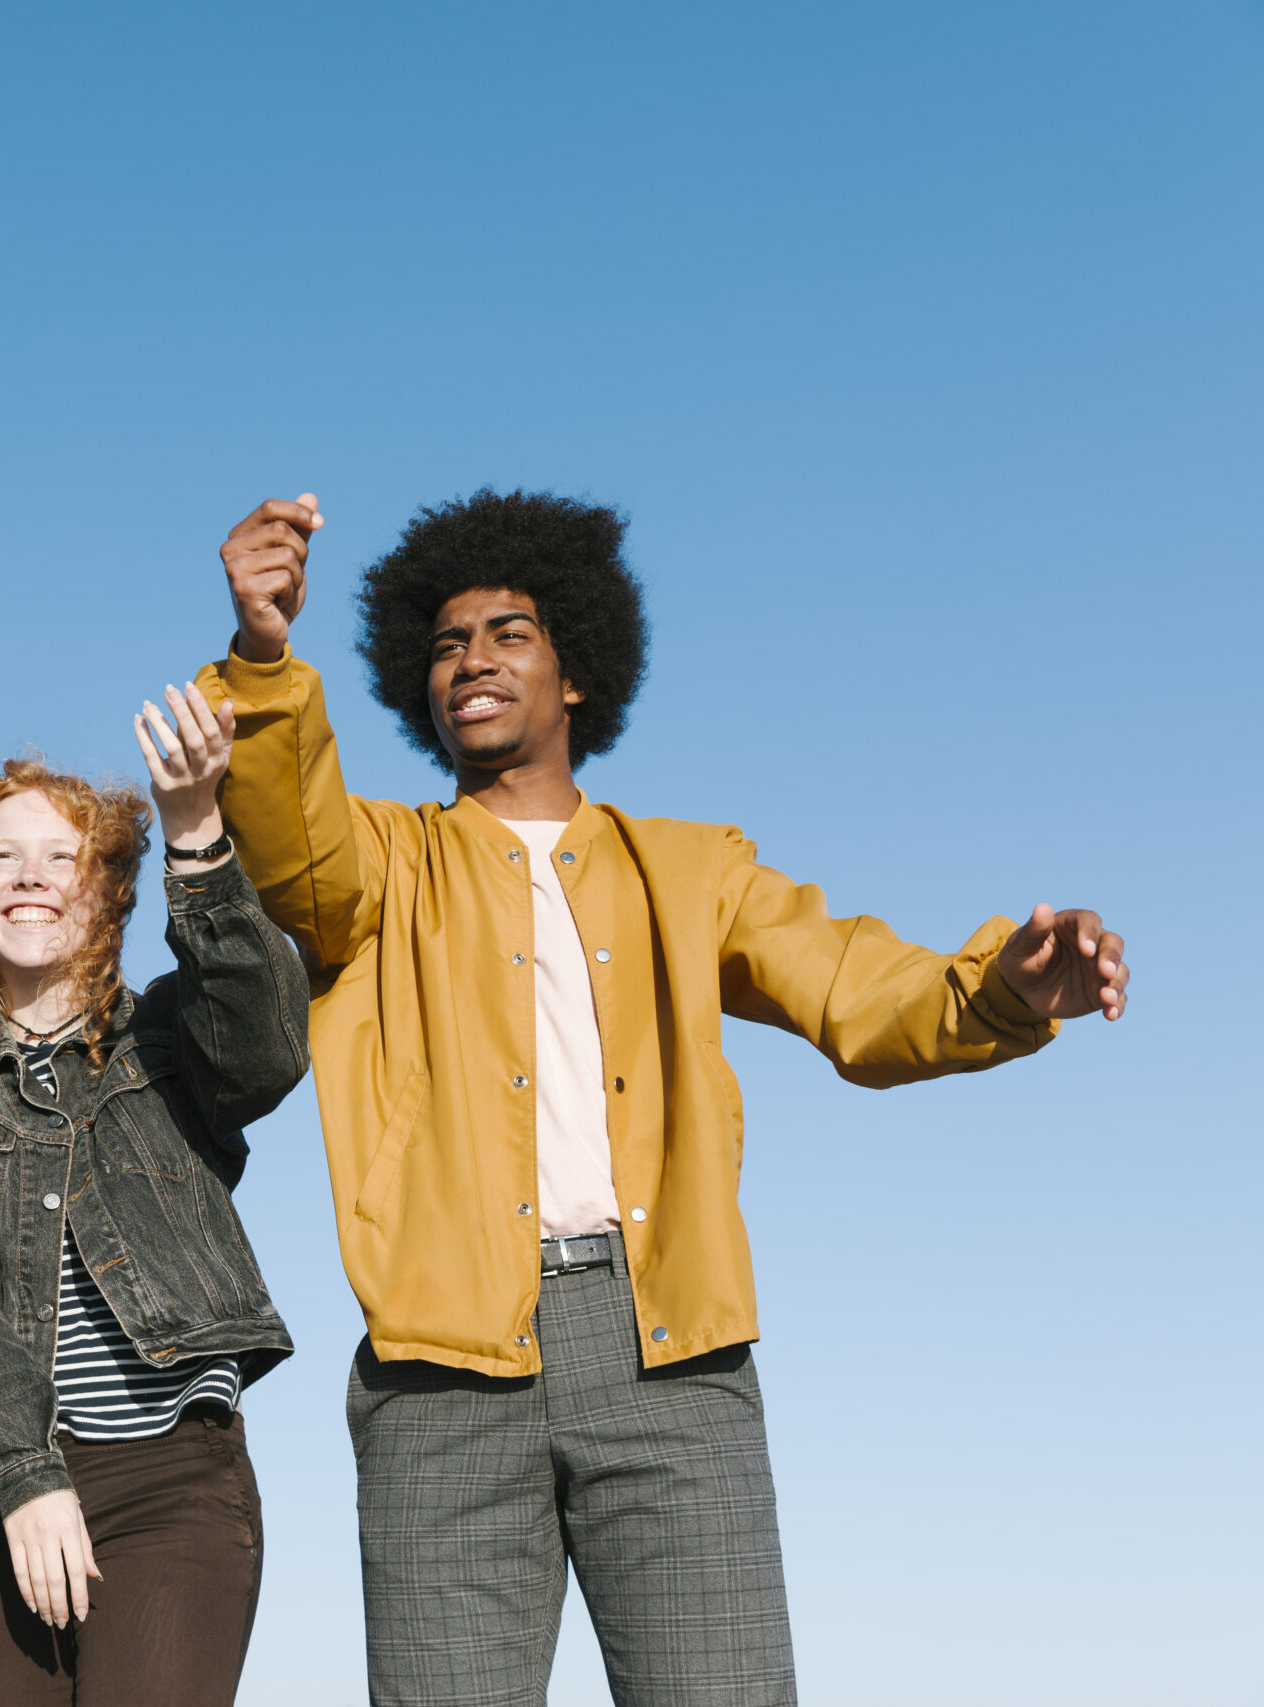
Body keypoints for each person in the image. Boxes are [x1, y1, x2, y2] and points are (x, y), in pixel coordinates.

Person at [196, 489, 1132, 1707]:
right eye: (444, 645)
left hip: (672, 1360)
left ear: (574, 673)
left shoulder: (695, 870)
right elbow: (290, 846)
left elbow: (857, 986)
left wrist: (1002, 988)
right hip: (437, 1375)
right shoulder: (380, 864)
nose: (469, 659)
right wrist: (264, 656)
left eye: (506, 634)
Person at [0, 686, 312, 1707]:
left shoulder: (168, 1037)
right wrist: (25, 1473)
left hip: (172, 1485)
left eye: (62, 856)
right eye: (1, 858)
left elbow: (268, 1048)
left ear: (108, 890)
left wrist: (197, 828)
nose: (29, 877)